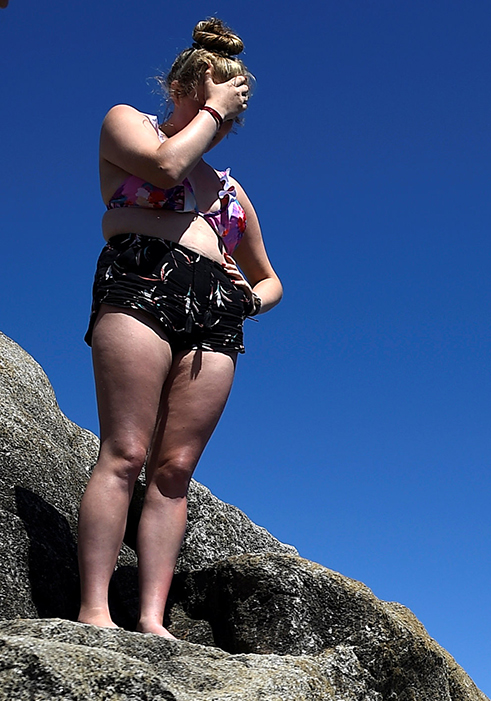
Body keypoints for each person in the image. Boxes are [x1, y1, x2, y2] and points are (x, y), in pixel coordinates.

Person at [77, 17, 281, 636]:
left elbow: (271, 279)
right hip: (142, 279)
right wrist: (213, 113)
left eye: (224, 97)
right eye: (205, 90)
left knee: (173, 471)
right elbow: (165, 167)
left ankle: (152, 618)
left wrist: (244, 301)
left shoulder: (227, 191)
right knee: (126, 451)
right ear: (180, 85)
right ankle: (93, 610)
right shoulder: (128, 124)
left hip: (214, 310)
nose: (215, 107)